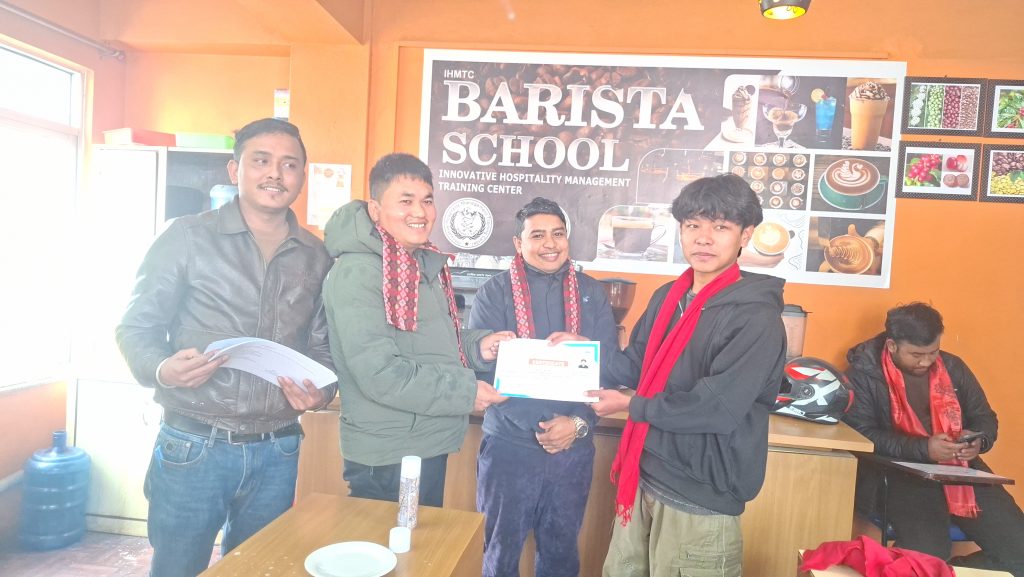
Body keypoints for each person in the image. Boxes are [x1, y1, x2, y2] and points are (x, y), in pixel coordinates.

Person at [116, 118, 337, 577]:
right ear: (235, 170)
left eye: (289, 164)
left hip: (278, 448)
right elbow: (136, 327)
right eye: (261, 161)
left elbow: (323, 350)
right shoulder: (187, 237)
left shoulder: (316, 255)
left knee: (257, 570)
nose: (275, 173)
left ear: (302, 175)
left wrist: (320, 393)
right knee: (177, 569)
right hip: (195, 444)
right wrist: (162, 369)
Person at [588, 174, 787, 577]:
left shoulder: (756, 318)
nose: (704, 238)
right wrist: (583, 353)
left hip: (700, 497)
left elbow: (715, 409)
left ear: (746, 234)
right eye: (693, 225)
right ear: (680, 230)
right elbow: (634, 365)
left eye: (720, 227)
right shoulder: (669, 296)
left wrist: (632, 405)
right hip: (643, 477)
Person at [322, 153, 513, 507]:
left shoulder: (415, 262)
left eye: (427, 200)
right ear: (375, 210)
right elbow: (380, 373)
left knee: (419, 542)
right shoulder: (359, 272)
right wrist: (465, 391)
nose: (420, 212)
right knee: (390, 542)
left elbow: (423, 342)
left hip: (422, 440)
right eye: (405, 201)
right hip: (389, 452)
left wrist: (479, 346)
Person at [467, 197, 621, 577]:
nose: (550, 244)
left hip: (573, 448)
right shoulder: (494, 293)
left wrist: (575, 424)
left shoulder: (591, 293)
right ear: (518, 243)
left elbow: (607, 370)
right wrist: (543, 427)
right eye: (537, 235)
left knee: (561, 553)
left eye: (558, 234)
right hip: (509, 448)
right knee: (500, 552)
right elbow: (486, 371)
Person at [844, 302, 1024, 575]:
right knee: (929, 555)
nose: (926, 362)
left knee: (1020, 551)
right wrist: (923, 449)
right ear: (892, 346)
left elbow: (985, 418)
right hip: (897, 473)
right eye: (916, 354)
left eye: (933, 352)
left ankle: (950, 572)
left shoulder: (952, 366)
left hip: (961, 471)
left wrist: (978, 441)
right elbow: (861, 435)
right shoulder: (864, 374)